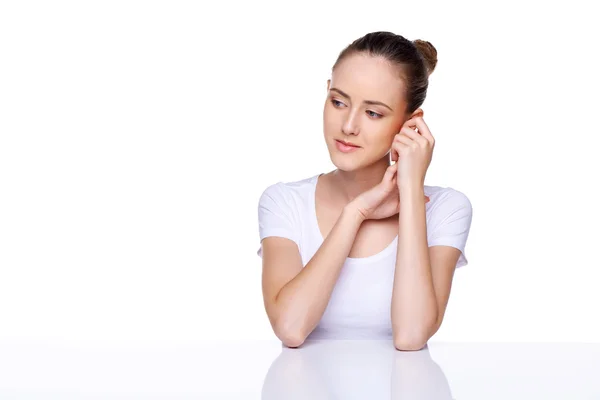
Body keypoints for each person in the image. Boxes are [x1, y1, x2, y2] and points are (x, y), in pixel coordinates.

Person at [256, 31, 473, 351]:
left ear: (410, 123)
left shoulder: (446, 208)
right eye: (339, 102)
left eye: (373, 112)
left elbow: (412, 336)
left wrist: (411, 189)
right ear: (326, 92)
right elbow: (290, 327)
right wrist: (355, 213)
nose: (348, 125)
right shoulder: (284, 202)